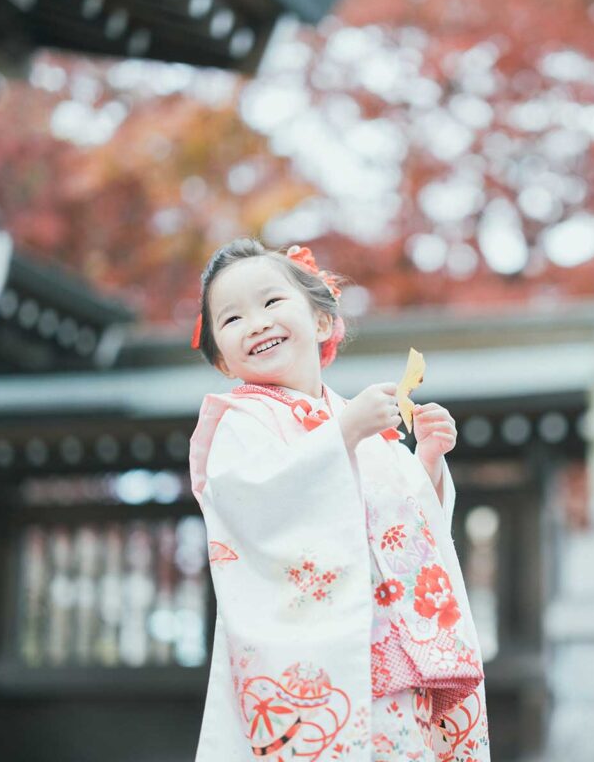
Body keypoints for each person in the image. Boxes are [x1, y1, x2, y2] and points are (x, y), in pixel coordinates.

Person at [187, 238, 489, 761]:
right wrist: (339, 437)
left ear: (322, 322)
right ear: (221, 357)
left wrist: (430, 466)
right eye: (232, 318)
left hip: (396, 656)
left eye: (271, 303)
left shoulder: (359, 420)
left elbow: (412, 526)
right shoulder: (239, 421)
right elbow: (248, 504)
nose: (256, 322)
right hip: (314, 662)